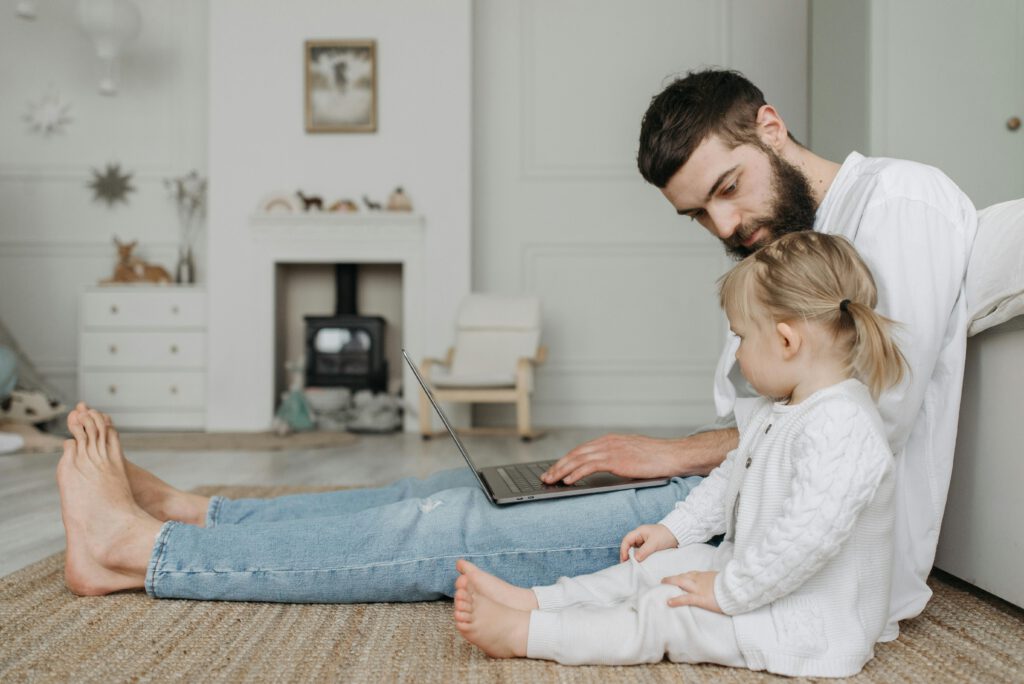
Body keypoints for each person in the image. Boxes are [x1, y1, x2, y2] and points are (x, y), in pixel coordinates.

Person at [57, 68, 974, 639]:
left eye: (727, 190)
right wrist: (666, 457)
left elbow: (863, 420)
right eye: (700, 214)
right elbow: (770, 413)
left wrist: (671, 458)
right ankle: (204, 514)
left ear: (770, 126)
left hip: (767, 533)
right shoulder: (786, 245)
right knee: (441, 492)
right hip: (720, 493)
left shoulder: (903, 204)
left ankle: (141, 554)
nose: (726, 226)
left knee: (445, 533)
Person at [453, 231, 907, 677]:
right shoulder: (785, 409)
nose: (738, 354)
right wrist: (675, 531)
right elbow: (732, 478)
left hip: (803, 627)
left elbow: (805, 538)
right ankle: (535, 601)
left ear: (787, 342)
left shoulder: (843, 426)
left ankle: (526, 632)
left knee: (665, 611)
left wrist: (728, 591)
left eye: (742, 338)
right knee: (657, 568)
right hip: (755, 582)